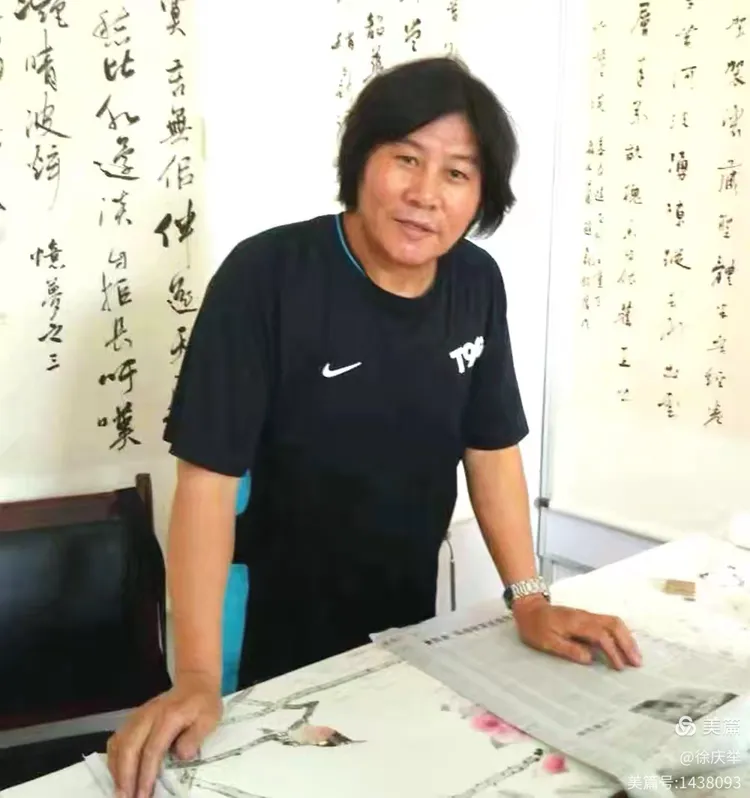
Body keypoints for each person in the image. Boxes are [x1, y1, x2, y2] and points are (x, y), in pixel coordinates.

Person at [107, 56, 641, 798]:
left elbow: (491, 447)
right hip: (262, 623)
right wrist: (195, 674)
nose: (426, 194)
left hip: (402, 621)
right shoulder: (267, 276)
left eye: (457, 173)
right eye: (406, 159)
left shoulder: (475, 282)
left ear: (482, 194)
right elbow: (207, 479)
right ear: (361, 161)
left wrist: (529, 597)